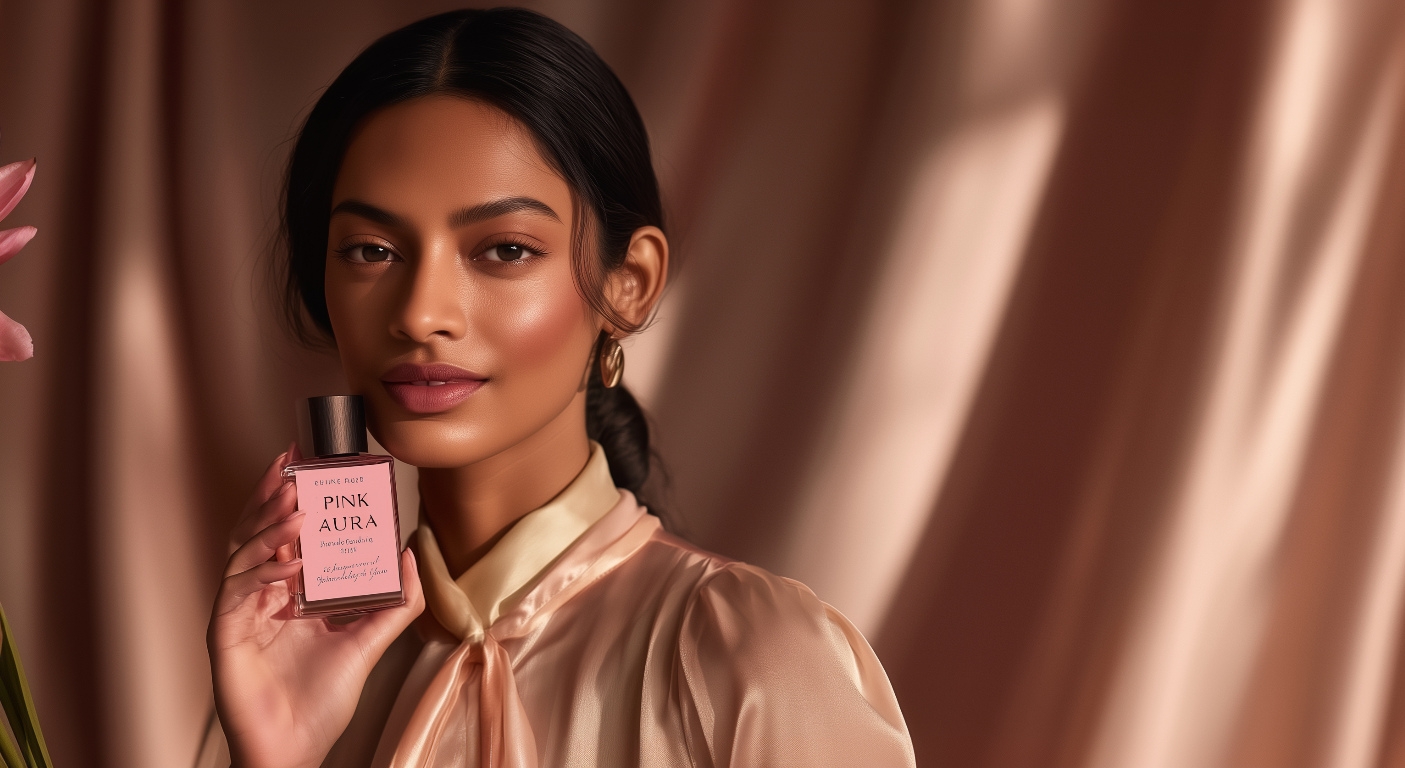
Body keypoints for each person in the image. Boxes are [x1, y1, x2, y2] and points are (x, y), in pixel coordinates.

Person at [205, 8, 916, 767]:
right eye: (372, 250)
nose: (420, 314)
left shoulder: (750, 663)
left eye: (504, 250)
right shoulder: (304, 668)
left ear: (629, 285)